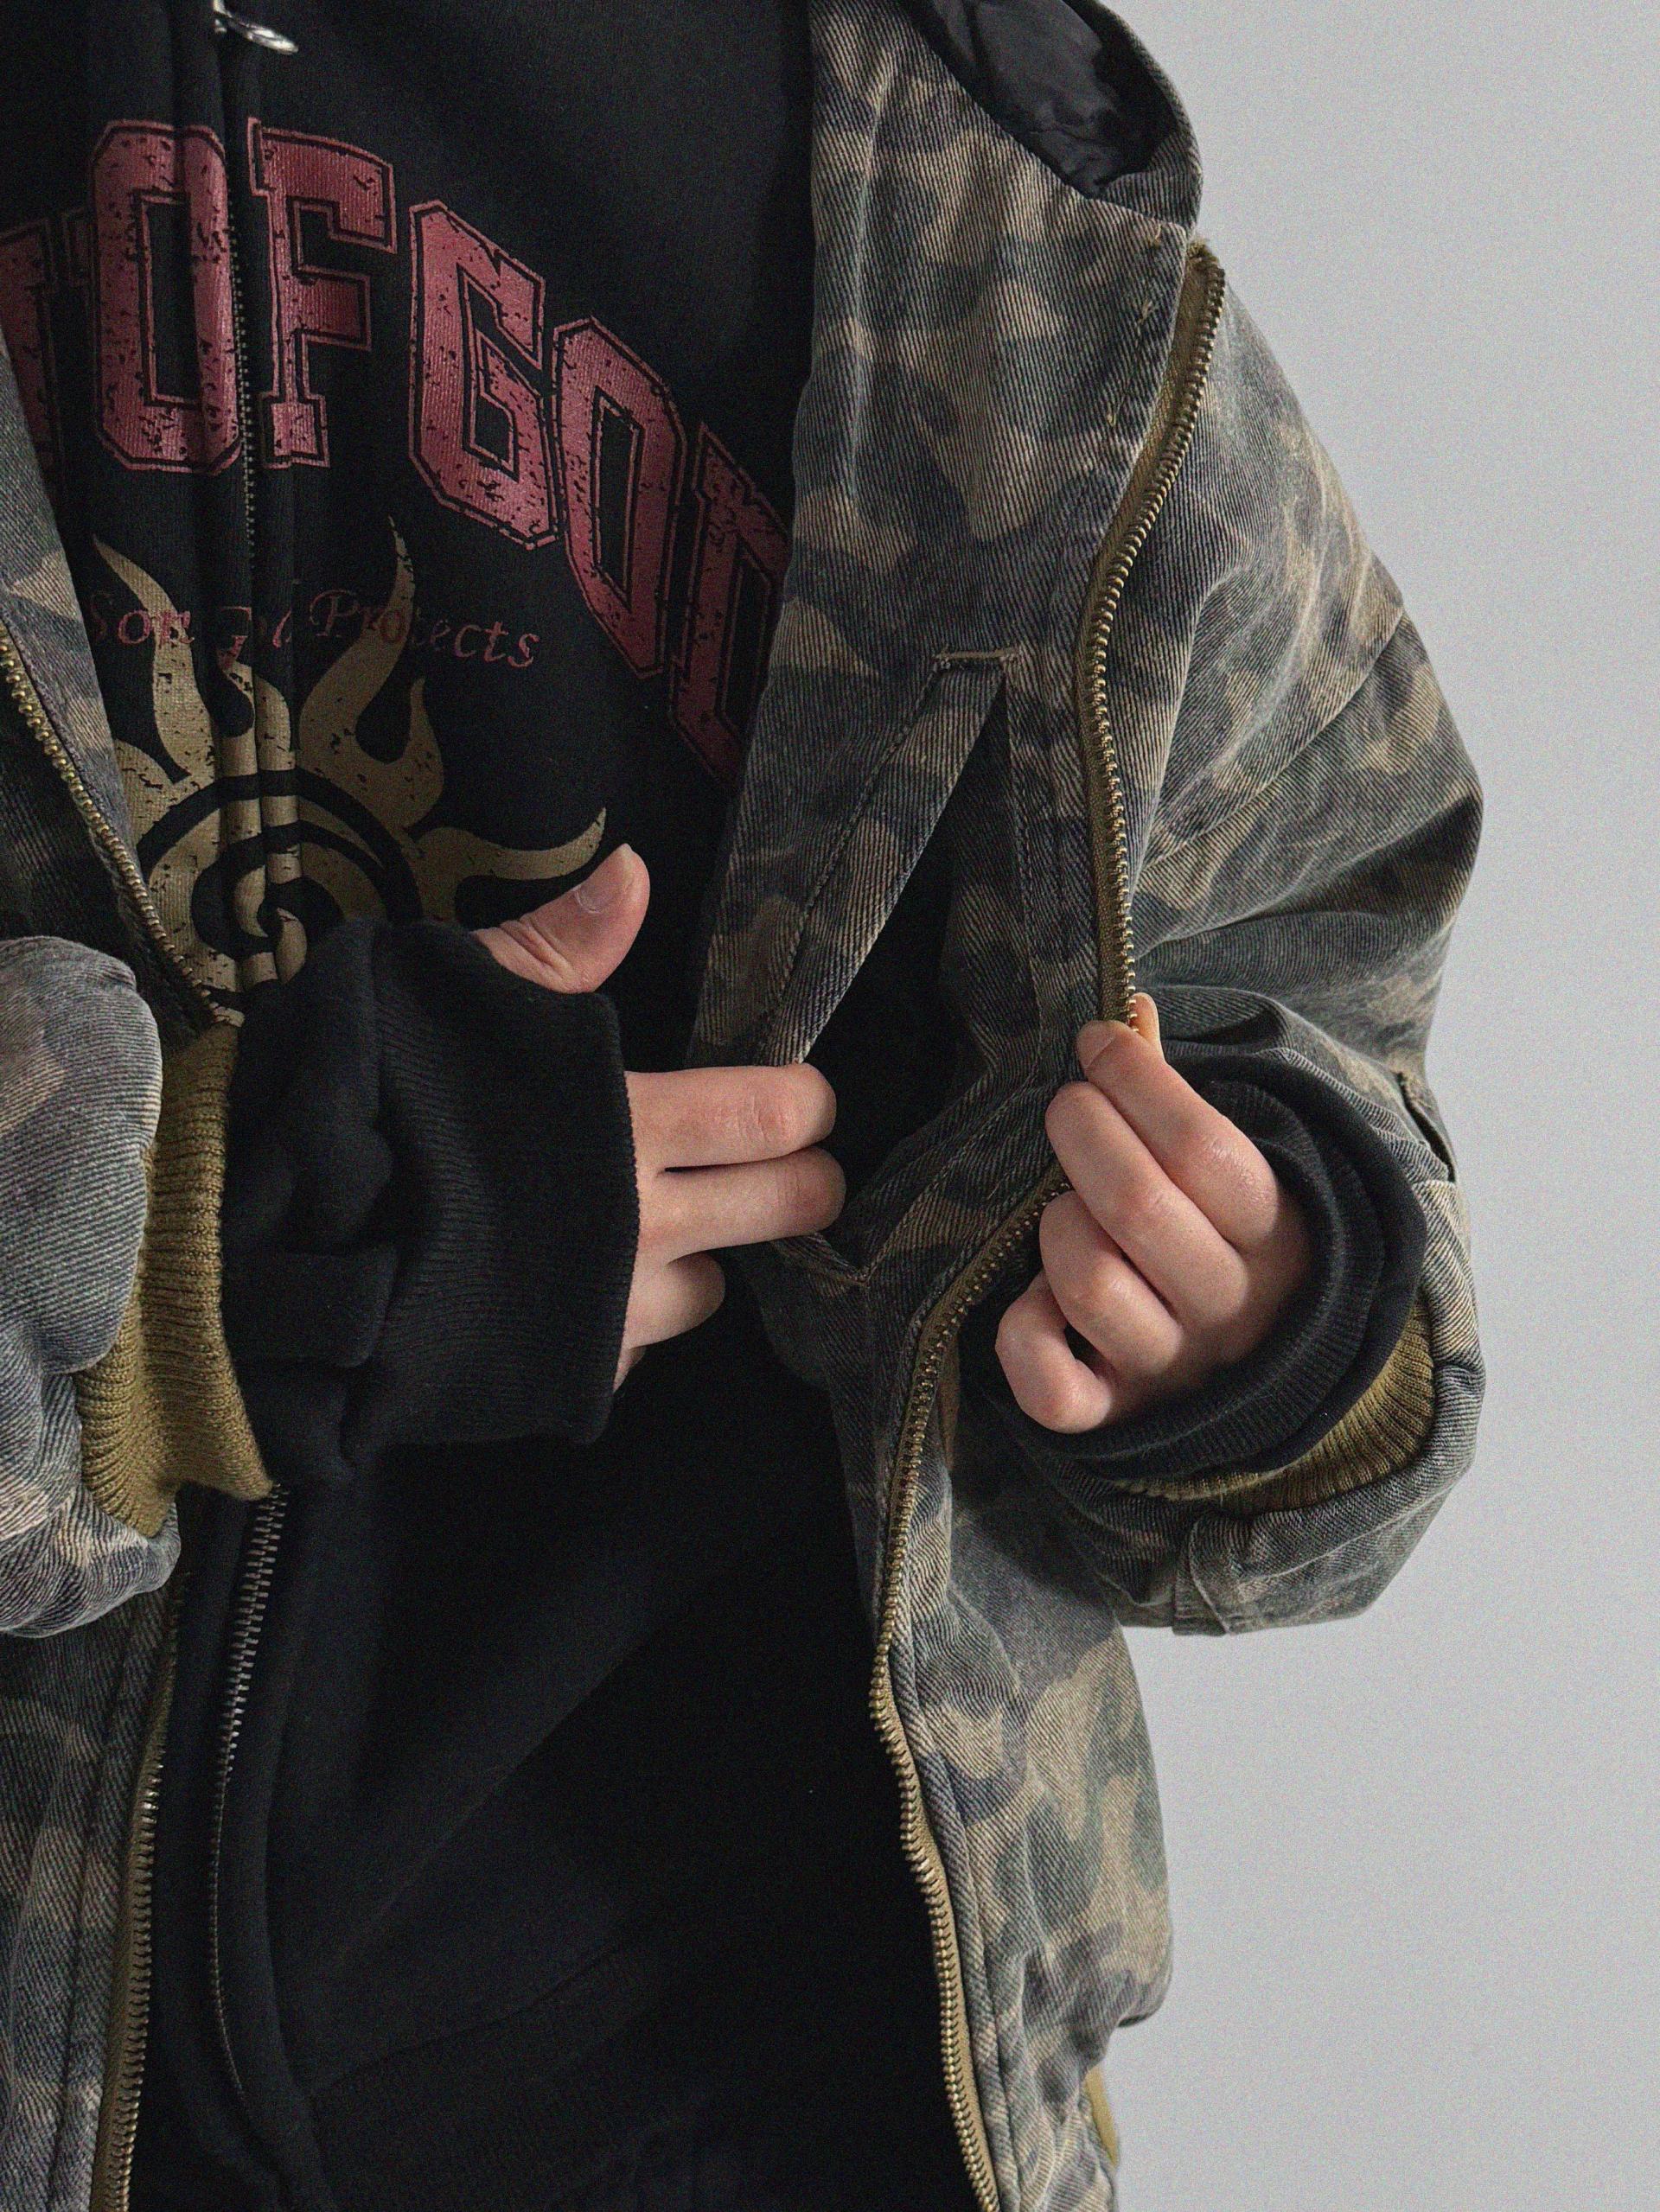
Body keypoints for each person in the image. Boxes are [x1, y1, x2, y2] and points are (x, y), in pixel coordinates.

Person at [0, 3, 1484, 2209]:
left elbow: (1306, 923)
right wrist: (162, 1258)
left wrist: (1283, 1293)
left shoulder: (985, 188)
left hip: (783, 2048)